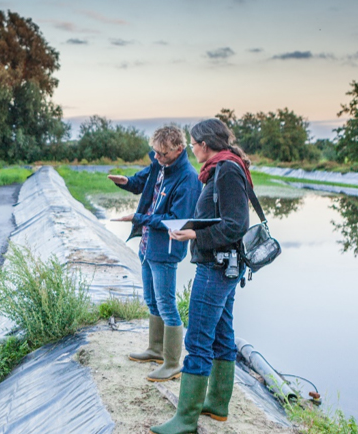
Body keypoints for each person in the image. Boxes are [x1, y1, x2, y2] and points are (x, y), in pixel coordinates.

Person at [150, 118, 252, 434]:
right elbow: (221, 219)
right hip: (222, 264)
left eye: (193, 144)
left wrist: (194, 235)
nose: (192, 150)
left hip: (217, 266)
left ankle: (185, 419)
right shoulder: (221, 168)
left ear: (204, 145)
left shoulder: (227, 170)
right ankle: (217, 405)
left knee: (197, 339)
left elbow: (236, 224)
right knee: (222, 336)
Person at [108, 125, 201, 382]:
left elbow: (177, 219)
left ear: (179, 149)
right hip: (148, 246)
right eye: (155, 153)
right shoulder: (159, 166)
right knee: (152, 300)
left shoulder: (188, 178)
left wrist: (139, 217)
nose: (158, 158)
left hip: (166, 250)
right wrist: (125, 182)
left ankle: (172, 363)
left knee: (167, 305)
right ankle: (155, 350)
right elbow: (141, 182)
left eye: (163, 154)